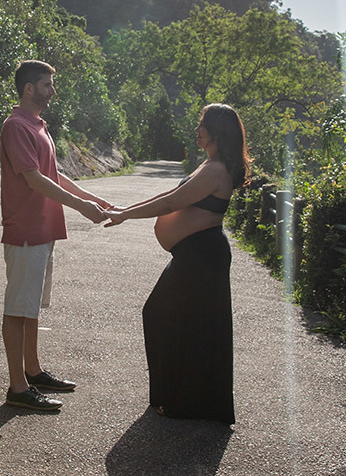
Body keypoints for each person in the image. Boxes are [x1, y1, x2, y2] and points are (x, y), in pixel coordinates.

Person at [103, 103, 252, 425]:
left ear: (216, 131)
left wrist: (124, 215)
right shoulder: (210, 164)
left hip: (202, 255)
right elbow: (171, 193)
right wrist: (125, 207)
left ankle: (182, 401)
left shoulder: (216, 170)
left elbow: (172, 203)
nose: (197, 129)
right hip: (195, 253)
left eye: (202, 124)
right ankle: (178, 399)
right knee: (184, 322)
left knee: (165, 315)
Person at [1, 60, 109, 412]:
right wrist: (81, 207)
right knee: (17, 309)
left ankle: (32, 371)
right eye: (48, 85)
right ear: (29, 88)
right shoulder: (17, 126)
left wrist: (91, 198)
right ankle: (18, 387)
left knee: (30, 307)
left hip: (43, 231)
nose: (53, 91)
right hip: (26, 231)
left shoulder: (39, 126)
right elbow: (33, 179)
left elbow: (53, 175)